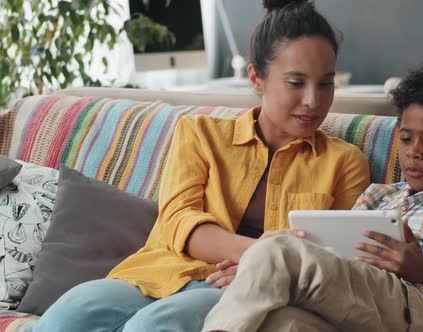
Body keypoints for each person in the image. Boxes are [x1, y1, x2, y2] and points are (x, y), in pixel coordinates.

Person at [30, 1, 370, 331]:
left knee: (153, 326)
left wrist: (266, 272)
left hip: (243, 289)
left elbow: (339, 262)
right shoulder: (200, 133)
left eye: (325, 83)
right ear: (256, 78)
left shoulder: (344, 162)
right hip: (161, 271)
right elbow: (178, 220)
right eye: (296, 83)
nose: (314, 100)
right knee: (67, 314)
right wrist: (264, 256)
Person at [202, 61, 423, 332]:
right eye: (406, 139)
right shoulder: (378, 197)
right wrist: (260, 274)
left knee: (276, 249)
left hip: (422, 312)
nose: (414, 153)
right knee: (280, 323)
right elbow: (337, 266)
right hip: (355, 311)